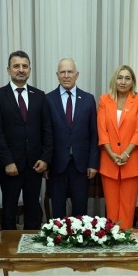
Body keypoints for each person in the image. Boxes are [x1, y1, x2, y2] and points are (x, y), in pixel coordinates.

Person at [0, 50, 53, 230]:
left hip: (35, 164)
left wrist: (45, 159)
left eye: (25, 66)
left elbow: (47, 129)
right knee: (9, 209)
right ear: (8, 70)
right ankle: (8, 244)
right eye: (16, 66)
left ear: (30, 70)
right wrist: (7, 161)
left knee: (33, 207)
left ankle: (31, 242)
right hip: (11, 165)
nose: (21, 70)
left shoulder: (39, 95)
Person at [45, 58, 99, 218]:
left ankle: (79, 234)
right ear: (57, 75)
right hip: (56, 164)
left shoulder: (88, 99)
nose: (66, 75)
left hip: (81, 165)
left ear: (77, 74)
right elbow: (45, 133)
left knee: (80, 210)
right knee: (57, 210)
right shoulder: (48, 99)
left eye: (70, 72)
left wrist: (93, 163)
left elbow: (94, 134)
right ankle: (59, 234)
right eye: (62, 72)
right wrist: (45, 162)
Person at [97, 65, 138, 229]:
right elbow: (102, 130)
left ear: (133, 82)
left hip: (132, 160)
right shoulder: (104, 100)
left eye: (127, 78)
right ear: (115, 80)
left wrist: (126, 153)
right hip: (109, 160)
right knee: (111, 206)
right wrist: (111, 153)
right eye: (120, 77)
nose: (123, 81)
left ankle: (125, 238)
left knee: (128, 207)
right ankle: (112, 238)